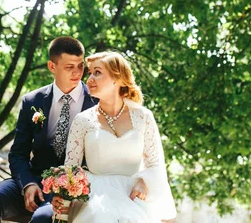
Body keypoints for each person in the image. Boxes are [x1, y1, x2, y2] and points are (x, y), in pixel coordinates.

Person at [0, 37, 97, 223]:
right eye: (69, 67)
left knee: (44, 217)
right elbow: (17, 154)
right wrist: (28, 184)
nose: (77, 73)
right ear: (52, 66)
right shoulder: (32, 101)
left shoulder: (97, 102)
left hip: (75, 188)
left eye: (80, 66)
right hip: (36, 180)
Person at [52, 51, 177, 223]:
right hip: (95, 196)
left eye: (97, 72)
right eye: (90, 73)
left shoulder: (143, 117)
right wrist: (62, 205)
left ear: (117, 78)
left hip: (133, 195)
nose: (89, 79)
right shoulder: (82, 120)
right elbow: (71, 169)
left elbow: (155, 162)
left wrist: (144, 182)